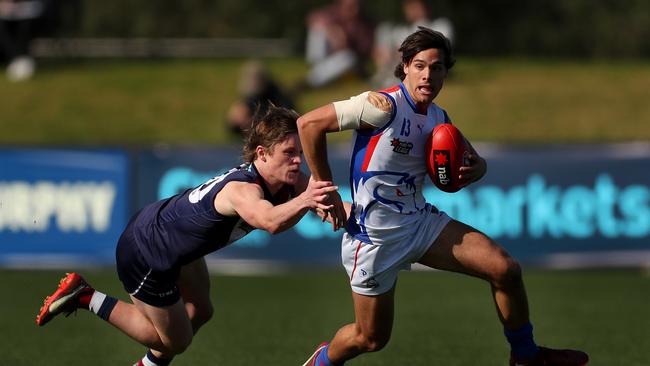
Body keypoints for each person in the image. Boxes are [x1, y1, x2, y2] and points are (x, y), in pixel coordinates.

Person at [297, 27, 589, 366]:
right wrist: (324, 188)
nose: (428, 75)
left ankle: (525, 356)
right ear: (405, 65)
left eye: (437, 68)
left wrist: (476, 169)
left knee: (505, 269)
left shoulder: (439, 119)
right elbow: (308, 125)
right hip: (373, 236)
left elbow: (473, 163)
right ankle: (321, 361)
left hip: (420, 223)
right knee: (370, 338)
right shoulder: (379, 106)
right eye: (420, 65)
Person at [35, 106, 339, 366]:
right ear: (262, 153)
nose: (298, 161)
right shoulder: (243, 190)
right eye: (289, 153)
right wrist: (306, 200)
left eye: (299, 152)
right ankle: (85, 295)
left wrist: (367, 214)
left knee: (201, 310)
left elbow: (332, 203)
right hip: (148, 252)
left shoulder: (285, 178)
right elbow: (270, 222)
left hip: (170, 240)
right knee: (176, 342)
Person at [372, 0, 454, 89]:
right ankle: (384, 76)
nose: (412, 11)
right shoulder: (402, 30)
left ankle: (390, 79)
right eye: (409, 7)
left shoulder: (441, 25)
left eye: (415, 7)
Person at [303, 0, 375, 89]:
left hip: (348, 62)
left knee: (348, 57)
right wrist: (332, 31)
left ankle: (312, 81)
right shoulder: (334, 13)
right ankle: (316, 73)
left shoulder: (365, 24)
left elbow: (364, 51)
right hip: (326, 58)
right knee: (318, 30)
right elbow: (313, 17)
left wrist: (344, 43)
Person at [226, 60, 295, 136]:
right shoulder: (248, 99)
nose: (253, 83)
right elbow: (234, 122)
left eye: (256, 80)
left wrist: (255, 122)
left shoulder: (277, 96)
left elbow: (286, 117)